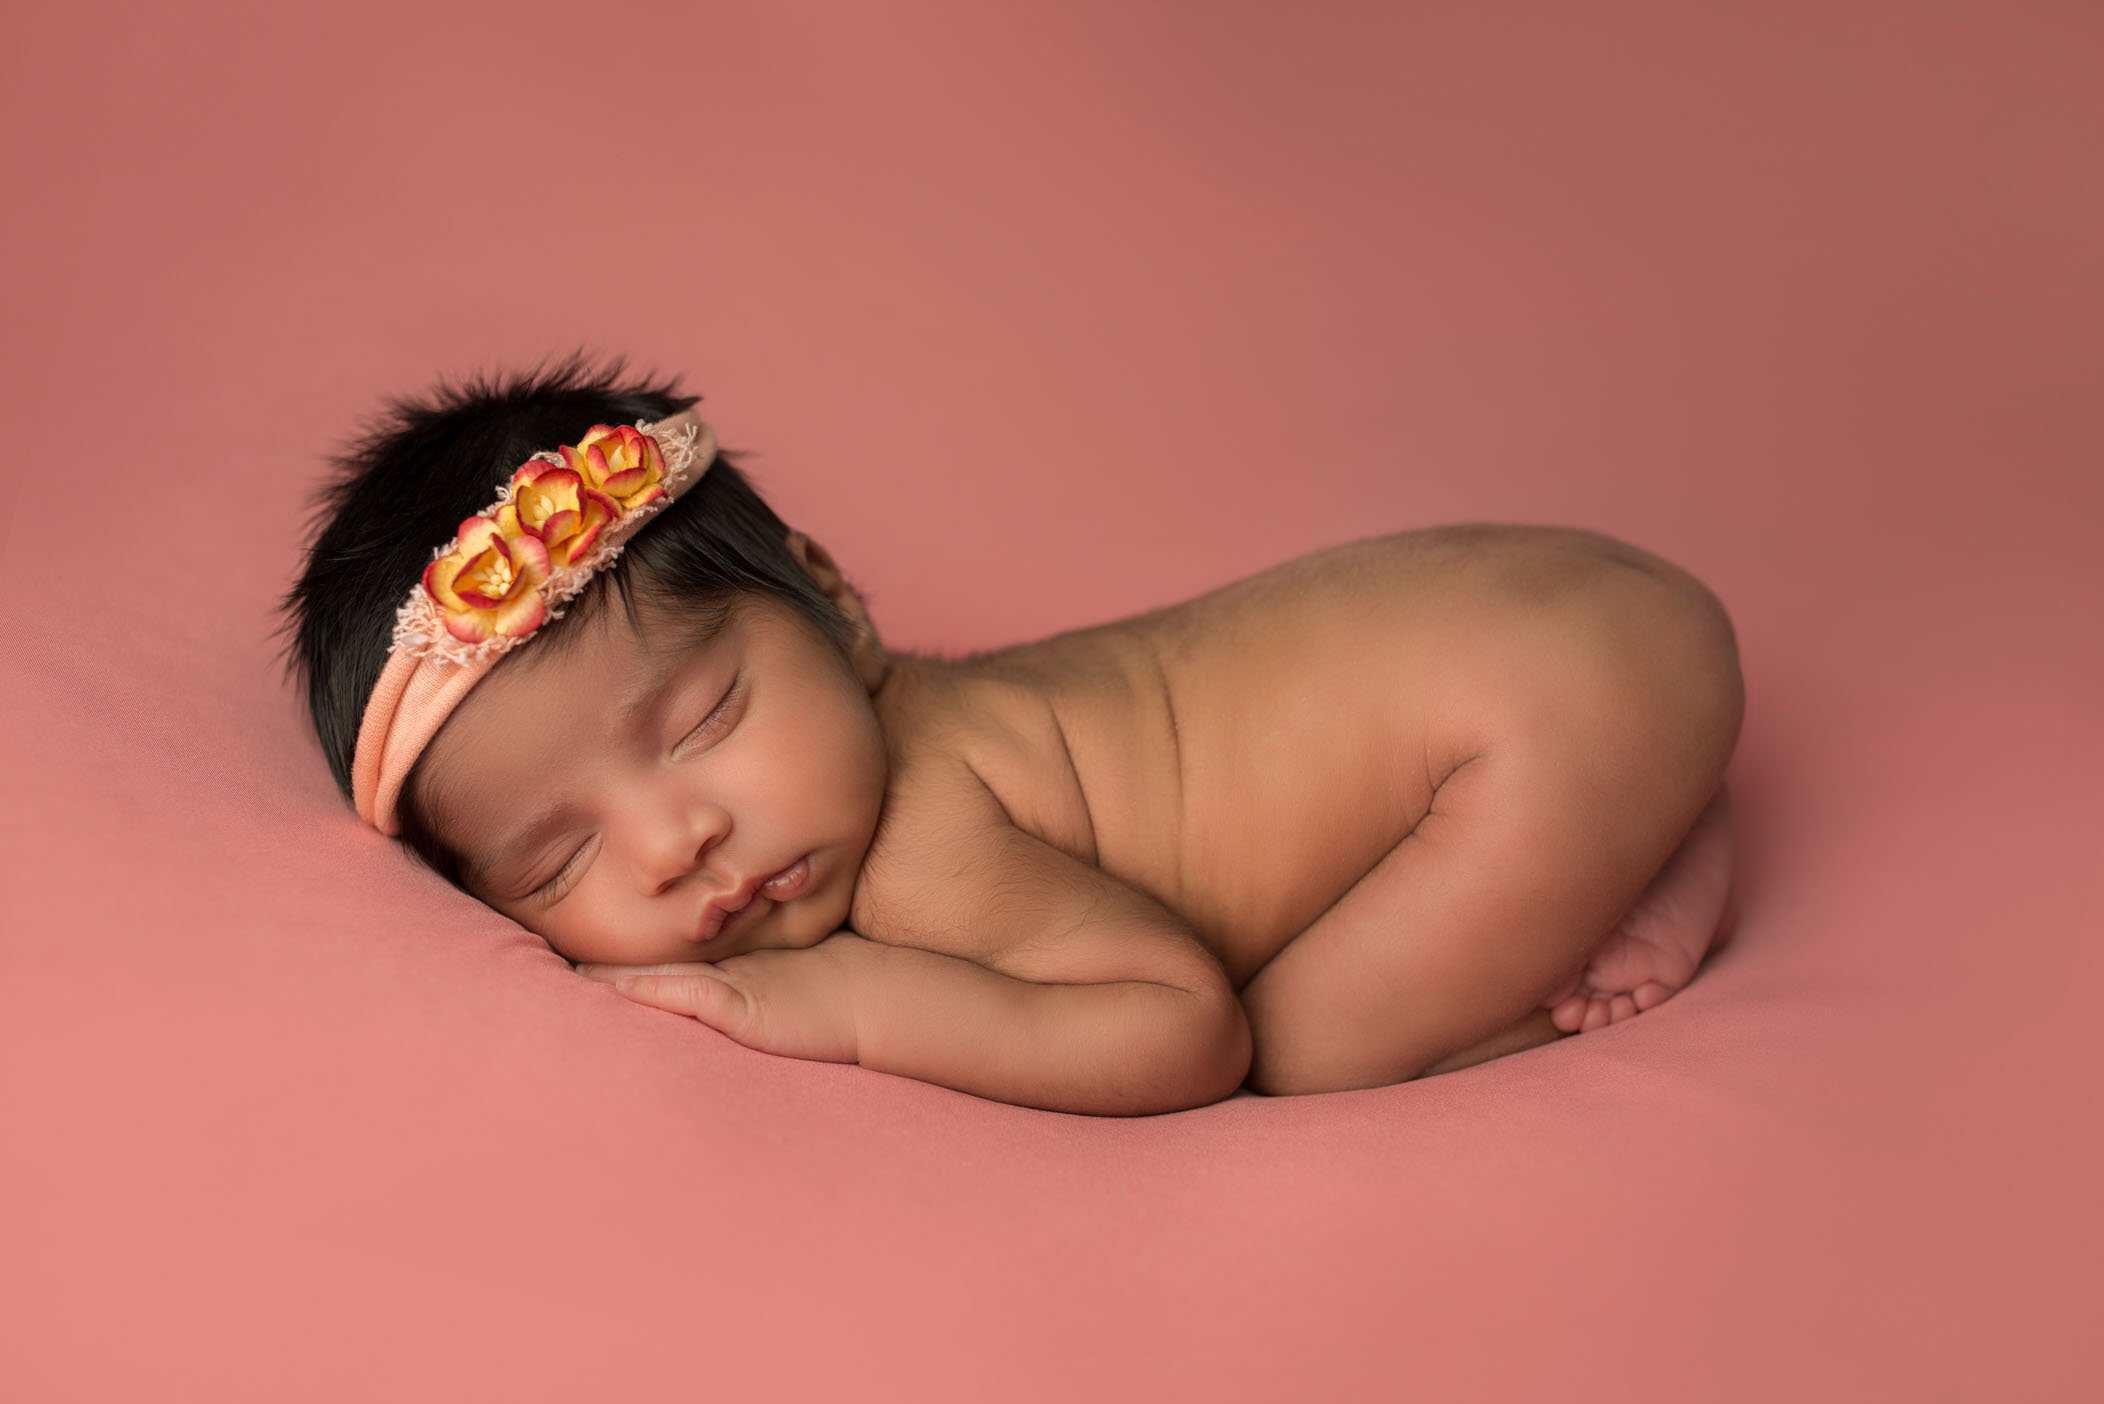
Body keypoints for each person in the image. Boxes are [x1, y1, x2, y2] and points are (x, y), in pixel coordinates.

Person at [278, 352, 1743, 1115]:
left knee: (1309, 1051)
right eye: (558, 861)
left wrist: (842, 1009)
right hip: (1557, 605)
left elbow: (1182, 1030)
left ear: (836, 605)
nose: (678, 842)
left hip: (1547, 700)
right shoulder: (915, 723)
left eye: (706, 718)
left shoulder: (924, 843)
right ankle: (1633, 820)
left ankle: (1613, 886)